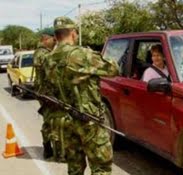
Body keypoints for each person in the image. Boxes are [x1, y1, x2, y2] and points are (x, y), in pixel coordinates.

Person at [46, 16, 119, 175]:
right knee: (101, 167)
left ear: (56, 35)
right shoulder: (81, 55)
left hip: (64, 121)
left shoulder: (48, 59)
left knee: (74, 168)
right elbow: (114, 69)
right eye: (76, 33)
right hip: (87, 121)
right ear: (72, 33)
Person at [32, 28, 56, 159]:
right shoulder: (43, 53)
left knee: (50, 121)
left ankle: (49, 148)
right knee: (50, 121)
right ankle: (49, 149)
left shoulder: (41, 52)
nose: (55, 41)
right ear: (47, 39)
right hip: (47, 94)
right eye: (53, 39)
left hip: (44, 92)